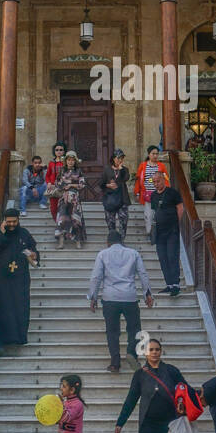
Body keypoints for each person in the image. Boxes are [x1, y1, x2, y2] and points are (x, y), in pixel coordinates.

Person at [114, 338, 188, 433]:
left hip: (170, 426)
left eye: (157, 349)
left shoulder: (171, 371)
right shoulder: (140, 375)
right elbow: (131, 400)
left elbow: (185, 390)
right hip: (149, 426)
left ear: (161, 352)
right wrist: (120, 423)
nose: (154, 352)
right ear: (145, 353)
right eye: (151, 350)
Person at [88, 230, 154, 372]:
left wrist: (93, 297)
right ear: (122, 241)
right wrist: (147, 293)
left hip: (110, 298)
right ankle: (131, 353)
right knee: (134, 329)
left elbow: (96, 277)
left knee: (112, 331)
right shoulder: (133, 253)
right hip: (130, 297)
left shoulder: (102, 254)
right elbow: (142, 273)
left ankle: (115, 362)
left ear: (108, 242)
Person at [0, 202, 40, 352]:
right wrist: (1, 233)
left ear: (18, 220)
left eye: (14, 222)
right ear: (4, 221)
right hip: (0, 280)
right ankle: (1, 341)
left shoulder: (24, 234)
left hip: (19, 280)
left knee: (20, 309)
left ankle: (19, 338)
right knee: (2, 310)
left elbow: (33, 251)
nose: (12, 225)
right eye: (8, 222)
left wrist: (34, 255)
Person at [150, 169, 183, 296]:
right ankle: (169, 284)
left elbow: (180, 208)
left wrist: (176, 223)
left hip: (172, 231)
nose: (156, 184)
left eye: (158, 181)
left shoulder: (172, 193)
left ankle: (175, 284)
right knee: (163, 258)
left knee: (172, 256)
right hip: (159, 232)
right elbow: (154, 211)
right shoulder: (153, 195)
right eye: (154, 182)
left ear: (163, 180)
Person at [134, 145, 169, 238]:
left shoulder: (161, 166)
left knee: (158, 214)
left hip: (159, 194)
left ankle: (158, 232)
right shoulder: (143, 165)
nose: (155, 156)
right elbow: (138, 179)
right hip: (147, 194)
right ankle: (149, 233)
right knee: (148, 215)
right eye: (153, 154)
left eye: (157, 154)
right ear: (149, 154)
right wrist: (137, 193)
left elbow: (166, 179)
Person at [55, 150, 87, 249]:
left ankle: (78, 242)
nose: (70, 162)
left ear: (75, 161)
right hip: (63, 198)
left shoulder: (78, 171)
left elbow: (82, 184)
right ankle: (61, 242)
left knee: (75, 219)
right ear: (66, 161)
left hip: (74, 199)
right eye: (69, 160)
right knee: (61, 219)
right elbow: (57, 183)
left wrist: (71, 185)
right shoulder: (61, 170)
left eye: (73, 160)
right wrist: (63, 186)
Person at [98, 149, 131, 240]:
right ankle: (113, 240)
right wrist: (108, 185)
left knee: (123, 221)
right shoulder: (107, 169)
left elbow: (125, 178)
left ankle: (121, 240)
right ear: (113, 158)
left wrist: (121, 170)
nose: (120, 160)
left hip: (122, 198)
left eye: (122, 158)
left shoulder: (125, 169)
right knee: (110, 222)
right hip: (110, 199)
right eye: (118, 158)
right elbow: (101, 183)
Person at [45, 142, 67, 239]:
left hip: (64, 189)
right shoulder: (51, 163)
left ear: (64, 151)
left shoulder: (67, 162)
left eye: (61, 150)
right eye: (57, 150)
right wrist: (49, 182)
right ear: (54, 151)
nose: (59, 151)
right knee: (53, 209)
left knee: (64, 210)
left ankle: (62, 229)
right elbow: (47, 175)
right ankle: (60, 226)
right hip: (53, 189)